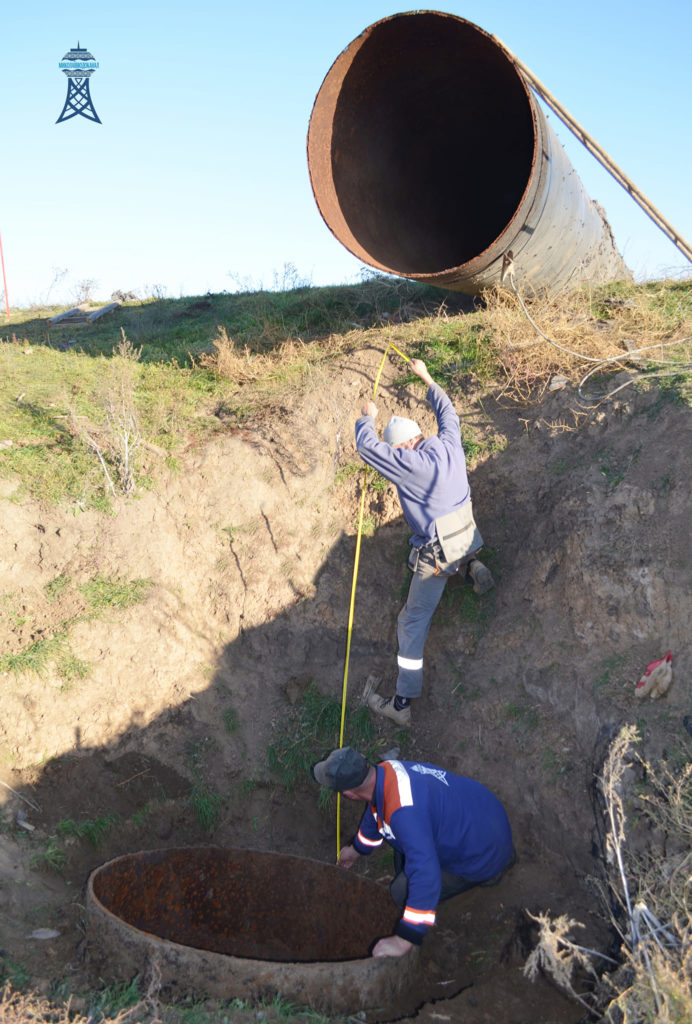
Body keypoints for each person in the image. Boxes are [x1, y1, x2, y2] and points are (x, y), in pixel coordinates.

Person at [355, 358, 493, 725]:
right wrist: (427, 377)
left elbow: (368, 449)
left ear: (401, 447)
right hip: (467, 535)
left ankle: (401, 705)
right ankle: (473, 566)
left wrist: (366, 418)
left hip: (440, 554)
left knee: (411, 621)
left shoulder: (411, 464)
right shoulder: (448, 442)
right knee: (450, 526)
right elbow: (448, 412)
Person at [312, 746, 514, 958]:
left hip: (485, 853)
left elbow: (426, 873)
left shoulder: (404, 814)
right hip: (483, 814)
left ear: (349, 794)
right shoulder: (385, 772)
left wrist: (405, 938)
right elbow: (376, 813)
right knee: (407, 846)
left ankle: (492, 874)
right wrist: (356, 849)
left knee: (400, 892)